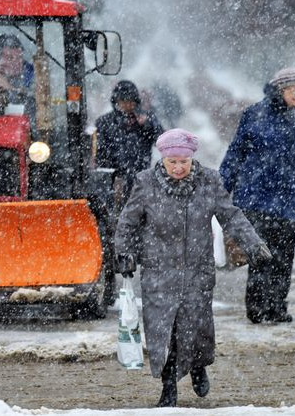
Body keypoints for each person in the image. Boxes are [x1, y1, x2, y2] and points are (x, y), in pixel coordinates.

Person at [115, 128, 272, 407]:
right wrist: (124, 253)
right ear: (162, 159)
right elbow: (128, 222)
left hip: (197, 270)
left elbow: (230, 215)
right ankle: (168, 386)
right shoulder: (146, 183)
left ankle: (198, 366)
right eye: (172, 162)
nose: (178, 168)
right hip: (158, 270)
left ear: (192, 160)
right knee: (163, 331)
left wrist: (253, 244)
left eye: (183, 162)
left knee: (195, 327)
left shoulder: (209, 181)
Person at [219, 67, 295, 324]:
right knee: (260, 255)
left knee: (284, 258)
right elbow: (235, 153)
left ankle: (277, 307)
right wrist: (221, 189)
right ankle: (257, 308)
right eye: (293, 89)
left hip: (290, 201)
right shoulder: (255, 114)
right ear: (280, 89)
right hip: (256, 198)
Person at [95, 80, 164, 209]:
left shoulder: (146, 118)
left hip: (140, 176)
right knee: (114, 213)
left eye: (131, 101)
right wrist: (109, 177)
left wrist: (147, 125)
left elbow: (162, 140)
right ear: (116, 102)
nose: (128, 105)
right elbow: (99, 151)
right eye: (123, 101)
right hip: (113, 179)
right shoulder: (104, 122)